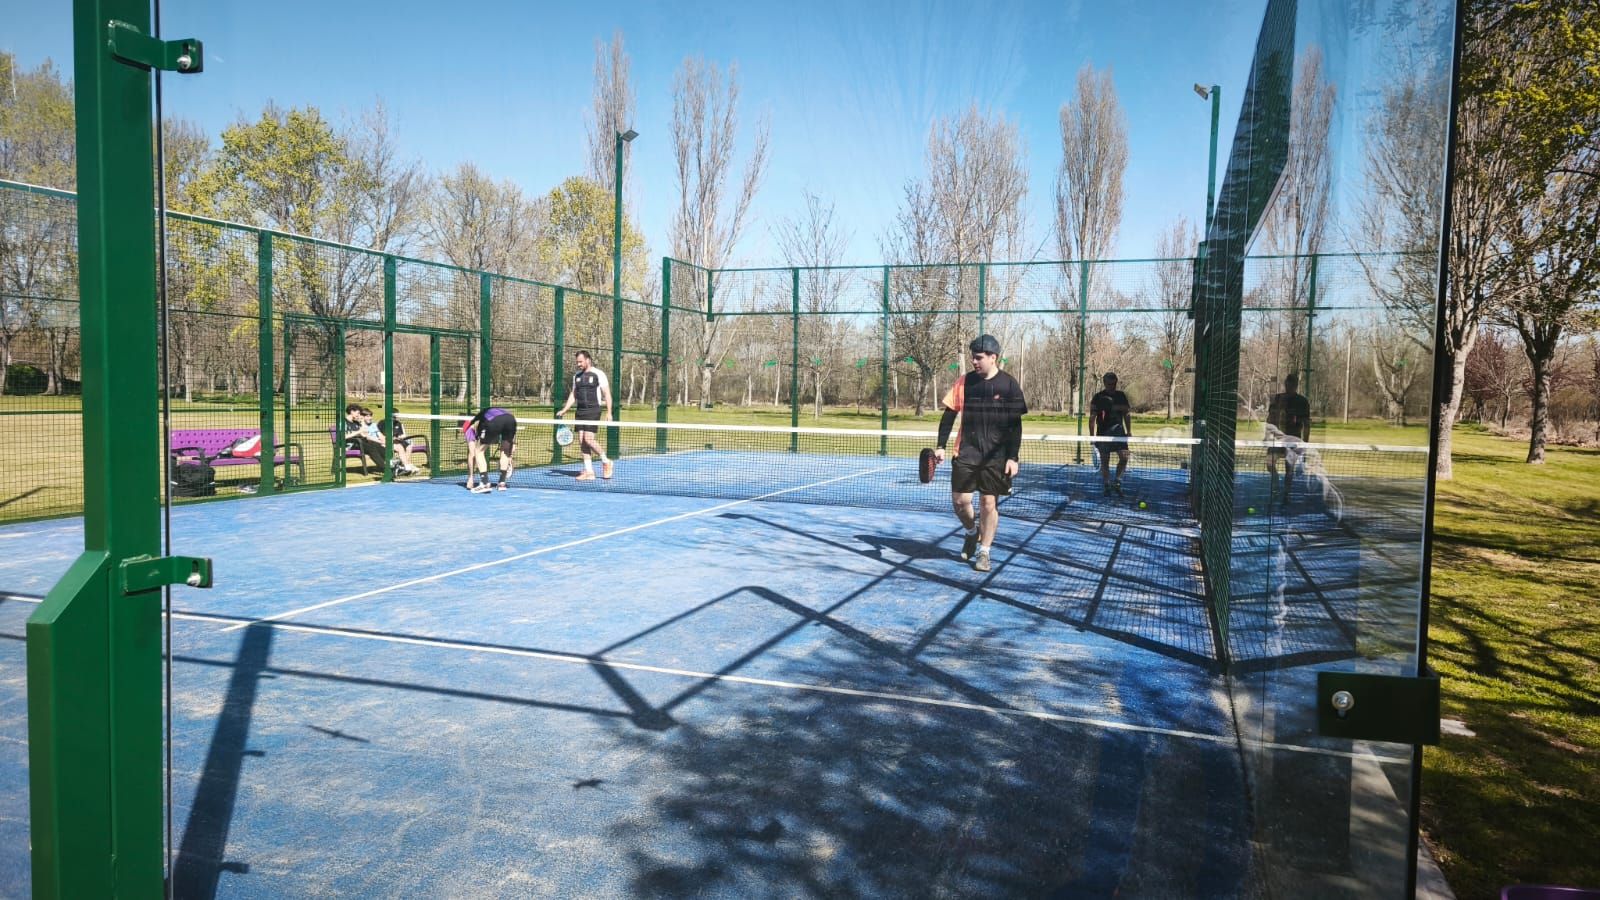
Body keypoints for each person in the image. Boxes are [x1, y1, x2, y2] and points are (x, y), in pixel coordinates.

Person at [934, 334, 1027, 573]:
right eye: (972, 357)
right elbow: (948, 416)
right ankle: (971, 532)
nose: (974, 361)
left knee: (988, 503)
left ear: (993, 358)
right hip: (966, 452)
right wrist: (941, 446)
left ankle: (984, 552)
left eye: (978, 357)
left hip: (997, 456)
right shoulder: (964, 382)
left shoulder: (1009, 385)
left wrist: (1012, 457)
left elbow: (1016, 425)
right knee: (960, 502)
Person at [556, 349, 614, 481]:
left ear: (588, 360)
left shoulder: (599, 374)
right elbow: (573, 394)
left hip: (593, 410)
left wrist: (609, 412)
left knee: (588, 439)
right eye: (577, 362)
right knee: (582, 441)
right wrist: (565, 409)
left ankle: (606, 461)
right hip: (580, 411)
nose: (579, 364)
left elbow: (607, 394)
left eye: (581, 361)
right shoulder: (576, 376)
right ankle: (589, 472)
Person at [1266, 372, 1311, 509]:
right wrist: (1268, 435)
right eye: (1287, 383)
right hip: (1278, 440)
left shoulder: (1302, 402)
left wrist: (1305, 444)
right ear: (1285, 384)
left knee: (1289, 469)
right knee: (1269, 463)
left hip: (1293, 440)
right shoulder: (1277, 399)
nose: (1288, 386)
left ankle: (1286, 496)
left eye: (1291, 384)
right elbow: (1270, 419)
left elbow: (1306, 425)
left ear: (1296, 386)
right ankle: (1275, 487)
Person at [1088, 372, 1132, 496]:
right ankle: (1107, 484)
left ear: (1116, 382)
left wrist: (1128, 431)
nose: (1111, 386)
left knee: (1124, 457)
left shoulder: (1121, 396)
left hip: (1119, 433)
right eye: (1109, 384)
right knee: (1104, 462)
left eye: (1114, 384)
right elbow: (1092, 418)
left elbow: (1127, 414)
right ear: (1104, 383)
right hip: (1103, 433)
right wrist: (1092, 436)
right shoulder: (1098, 397)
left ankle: (1117, 482)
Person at [462, 407, 517, 493]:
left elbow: (472, 454)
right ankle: (502, 483)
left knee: (478, 451)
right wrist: (510, 453)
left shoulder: (469, 426)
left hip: (494, 422)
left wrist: (470, 478)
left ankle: (484, 483)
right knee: (505, 451)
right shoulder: (487, 414)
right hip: (511, 419)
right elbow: (511, 442)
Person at [361, 407, 420, 475]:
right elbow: (368, 437)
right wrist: (383, 442)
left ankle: (406, 466)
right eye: (367, 416)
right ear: (362, 417)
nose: (370, 418)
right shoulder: (362, 426)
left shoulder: (373, 425)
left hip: (383, 442)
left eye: (370, 416)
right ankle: (405, 466)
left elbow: (380, 435)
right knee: (399, 447)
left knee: (406, 445)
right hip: (374, 444)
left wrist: (386, 441)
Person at [342, 403, 387, 475]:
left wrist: (362, 422)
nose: (359, 415)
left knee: (377, 445)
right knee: (371, 447)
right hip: (350, 445)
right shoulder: (343, 422)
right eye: (358, 413)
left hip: (359, 443)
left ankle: (392, 464)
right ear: (352, 411)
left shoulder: (356, 423)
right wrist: (358, 432)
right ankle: (385, 469)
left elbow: (364, 435)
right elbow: (343, 437)